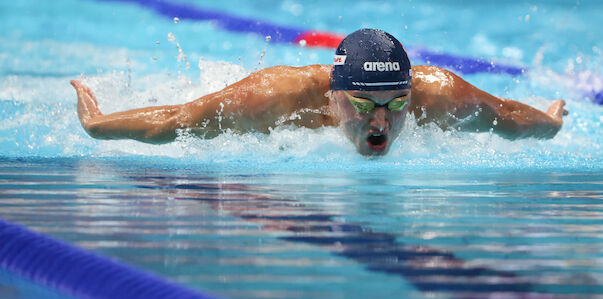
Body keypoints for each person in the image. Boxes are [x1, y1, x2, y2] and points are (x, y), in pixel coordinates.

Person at [71, 29, 566, 156]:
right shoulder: (274, 98)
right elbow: (176, 121)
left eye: (396, 105)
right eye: (363, 105)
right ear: (333, 95)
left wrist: (553, 121)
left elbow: (509, 117)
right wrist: (97, 124)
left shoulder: (442, 96)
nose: (380, 124)